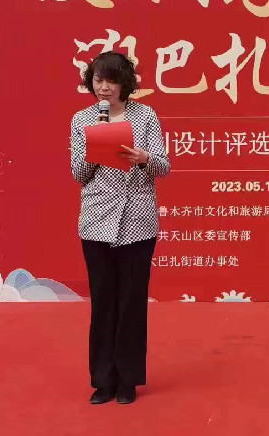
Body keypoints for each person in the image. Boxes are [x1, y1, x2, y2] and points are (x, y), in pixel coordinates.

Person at [70, 51, 170, 405]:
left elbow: (164, 166)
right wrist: (96, 146)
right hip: (97, 220)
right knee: (103, 301)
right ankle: (103, 380)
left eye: (111, 81)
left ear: (124, 83)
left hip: (137, 221)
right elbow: (78, 174)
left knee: (131, 302)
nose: (104, 87)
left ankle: (128, 379)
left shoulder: (146, 116)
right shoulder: (82, 119)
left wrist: (144, 158)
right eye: (98, 80)